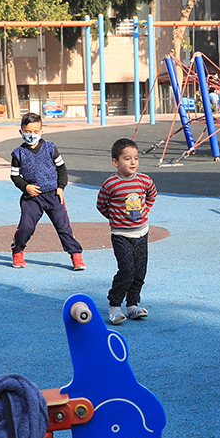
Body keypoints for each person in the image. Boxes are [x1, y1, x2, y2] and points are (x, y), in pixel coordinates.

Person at [9, 112, 85, 271]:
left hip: (53, 195)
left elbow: (62, 169)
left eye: (36, 131)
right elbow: (15, 176)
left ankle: (76, 254)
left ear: (41, 131)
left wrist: (61, 187)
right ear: (21, 131)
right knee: (26, 227)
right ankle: (18, 250)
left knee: (63, 226)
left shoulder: (50, 148)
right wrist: (26, 187)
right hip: (32, 197)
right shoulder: (18, 153)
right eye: (28, 131)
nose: (32, 135)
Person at [96, 138, 156, 325]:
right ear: (116, 162)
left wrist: (145, 211)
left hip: (141, 233)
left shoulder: (145, 180)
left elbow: (152, 195)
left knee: (139, 271)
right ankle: (114, 306)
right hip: (121, 235)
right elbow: (101, 205)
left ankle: (132, 305)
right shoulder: (111, 184)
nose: (133, 162)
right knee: (127, 270)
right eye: (127, 158)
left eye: (136, 158)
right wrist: (115, 218)